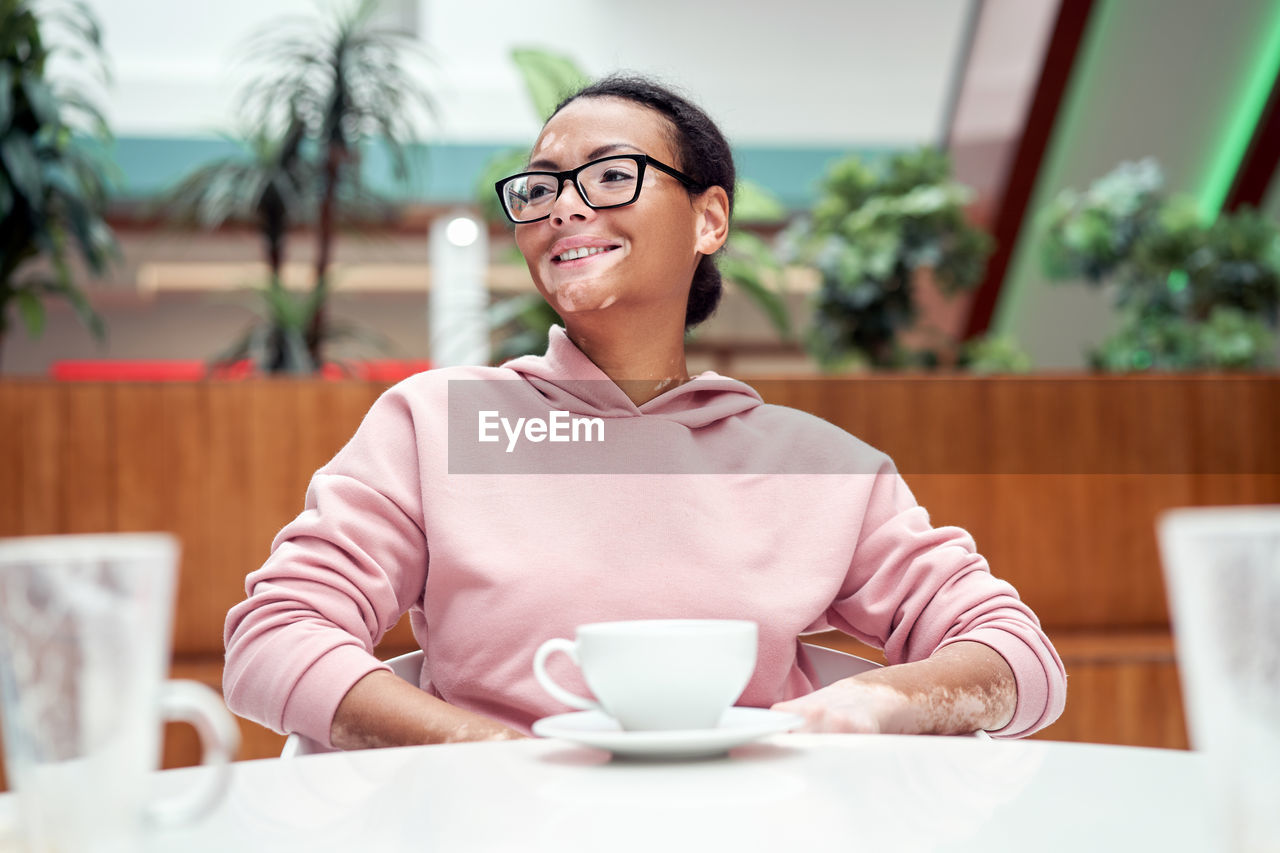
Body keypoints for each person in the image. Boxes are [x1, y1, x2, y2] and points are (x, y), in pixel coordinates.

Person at [223, 76, 1066, 749]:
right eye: (540, 186)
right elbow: (276, 637)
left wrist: (873, 703)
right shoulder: (437, 423)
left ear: (709, 217)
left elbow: (1018, 659)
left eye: (611, 175)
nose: (563, 205)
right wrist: (491, 763)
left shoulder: (821, 466)